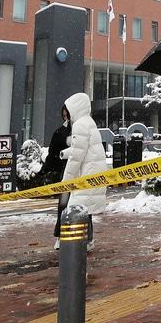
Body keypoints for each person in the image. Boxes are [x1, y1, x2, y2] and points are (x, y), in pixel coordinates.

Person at [58, 92, 108, 246]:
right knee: (85, 211)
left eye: (68, 110)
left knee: (75, 210)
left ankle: (77, 244)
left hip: (86, 174)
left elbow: (76, 158)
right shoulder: (89, 122)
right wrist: (65, 153)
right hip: (93, 173)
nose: (67, 114)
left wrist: (66, 181)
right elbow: (81, 149)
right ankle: (87, 240)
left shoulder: (80, 125)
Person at [41, 104, 72, 248]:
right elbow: (52, 153)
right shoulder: (59, 132)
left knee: (84, 206)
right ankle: (60, 235)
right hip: (65, 173)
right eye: (64, 115)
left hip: (81, 174)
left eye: (68, 115)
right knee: (64, 204)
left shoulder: (82, 129)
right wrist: (44, 171)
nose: (66, 118)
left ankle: (87, 236)